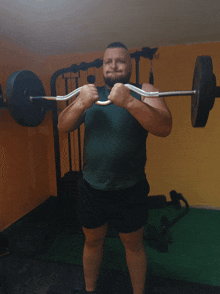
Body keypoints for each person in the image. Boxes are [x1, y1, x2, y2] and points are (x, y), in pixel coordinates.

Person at [58, 42, 172, 294]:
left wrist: (129, 102)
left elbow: (164, 127)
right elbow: (63, 126)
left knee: (133, 245)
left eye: (120, 60)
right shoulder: (89, 94)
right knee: (92, 241)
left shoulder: (144, 90)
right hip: (92, 187)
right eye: (108, 61)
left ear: (130, 65)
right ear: (102, 67)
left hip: (130, 188)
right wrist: (79, 103)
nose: (113, 65)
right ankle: (90, 290)